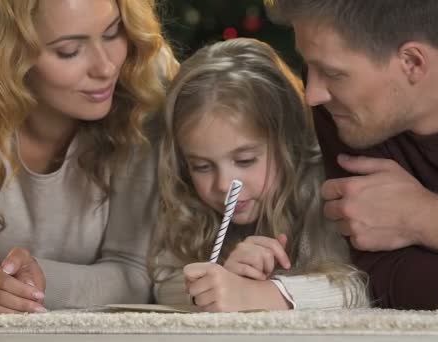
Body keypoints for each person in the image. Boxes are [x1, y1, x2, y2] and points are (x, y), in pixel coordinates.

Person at [264, 0, 438, 311]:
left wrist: (420, 216)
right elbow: (385, 278)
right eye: (312, 67)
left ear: (412, 62)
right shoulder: (346, 110)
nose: (312, 95)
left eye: (332, 73)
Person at [0, 0, 177, 313]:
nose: (107, 67)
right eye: (69, 50)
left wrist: (34, 283)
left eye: (112, 33)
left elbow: (134, 273)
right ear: (6, 53)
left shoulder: (143, 75)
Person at [149, 38, 369, 312]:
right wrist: (215, 285)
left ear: (286, 143)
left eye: (245, 160)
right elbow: (163, 283)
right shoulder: (189, 201)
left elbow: (355, 287)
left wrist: (259, 293)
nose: (223, 185)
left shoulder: (319, 190)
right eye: (202, 166)